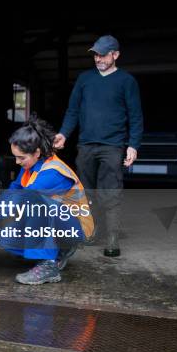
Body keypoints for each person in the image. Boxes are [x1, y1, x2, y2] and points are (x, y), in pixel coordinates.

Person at [53, 35, 143, 257]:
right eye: (96, 54)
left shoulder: (126, 81)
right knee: (85, 192)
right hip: (86, 145)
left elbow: (135, 116)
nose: (98, 59)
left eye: (103, 54)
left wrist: (133, 145)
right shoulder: (85, 79)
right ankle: (91, 231)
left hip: (112, 146)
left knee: (110, 191)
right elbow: (73, 110)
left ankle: (112, 239)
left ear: (116, 55)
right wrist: (64, 133)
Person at [0, 116, 94, 285]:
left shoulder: (53, 171)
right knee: (5, 238)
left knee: (35, 204)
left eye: (21, 157)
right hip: (58, 223)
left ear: (36, 153)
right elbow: (14, 189)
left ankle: (48, 266)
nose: (17, 162)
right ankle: (57, 253)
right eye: (16, 157)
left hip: (75, 227)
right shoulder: (31, 166)